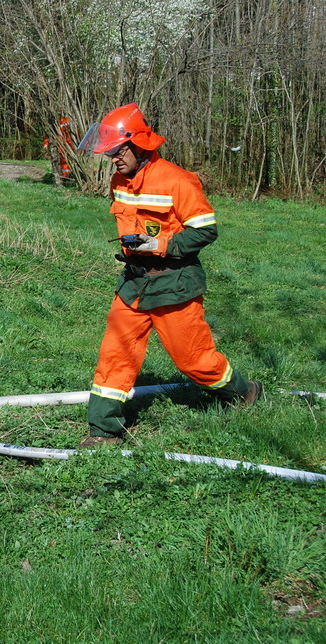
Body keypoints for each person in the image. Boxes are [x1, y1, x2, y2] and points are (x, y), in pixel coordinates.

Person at [77, 103, 262, 448]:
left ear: (139, 145)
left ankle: (243, 391)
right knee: (115, 354)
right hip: (133, 283)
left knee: (194, 360)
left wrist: (161, 244)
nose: (112, 159)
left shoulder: (177, 180)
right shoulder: (119, 180)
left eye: (117, 152)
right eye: (109, 153)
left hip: (174, 283)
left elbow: (205, 230)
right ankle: (103, 431)